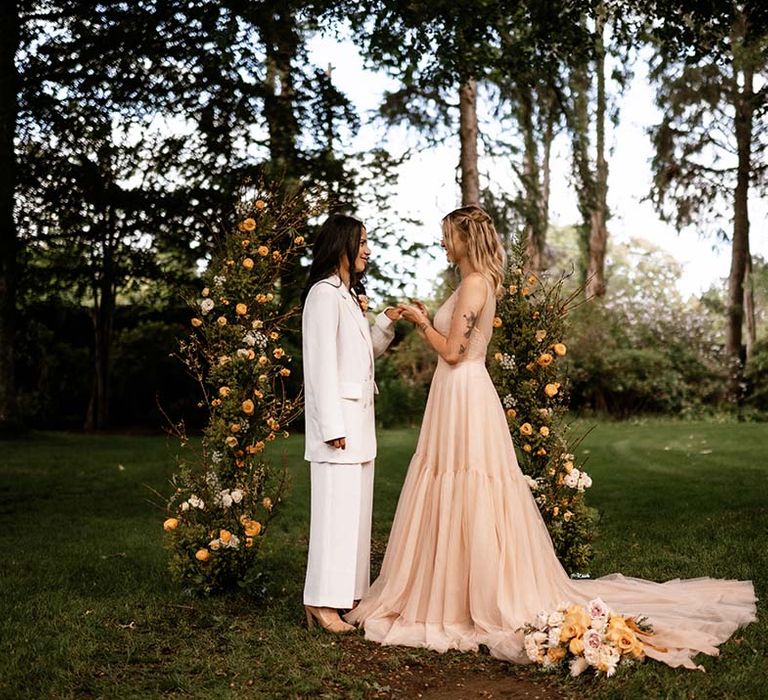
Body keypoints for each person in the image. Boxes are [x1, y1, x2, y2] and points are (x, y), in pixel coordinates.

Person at [345, 205, 756, 669]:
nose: (443, 244)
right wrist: (428, 320)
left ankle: (467, 594)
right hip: (455, 394)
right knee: (453, 482)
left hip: (463, 392)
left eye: (446, 236)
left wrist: (422, 324)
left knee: (469, 483)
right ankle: (452, 584)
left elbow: (455, 352)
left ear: (465, 239)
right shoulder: (470, 283)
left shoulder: (476, 283)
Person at [301, 213, 402, 633]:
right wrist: (331, 426)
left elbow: (362, 358)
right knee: (333, 515)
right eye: (361, 241)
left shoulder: (348, 294)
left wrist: (384, 321)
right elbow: (321, 365)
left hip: (360, 428)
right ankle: (322, 603)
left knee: (355, 517)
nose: (367, 250)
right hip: (338, 429)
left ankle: (348, 597)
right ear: (341, 243)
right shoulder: (323, 294)